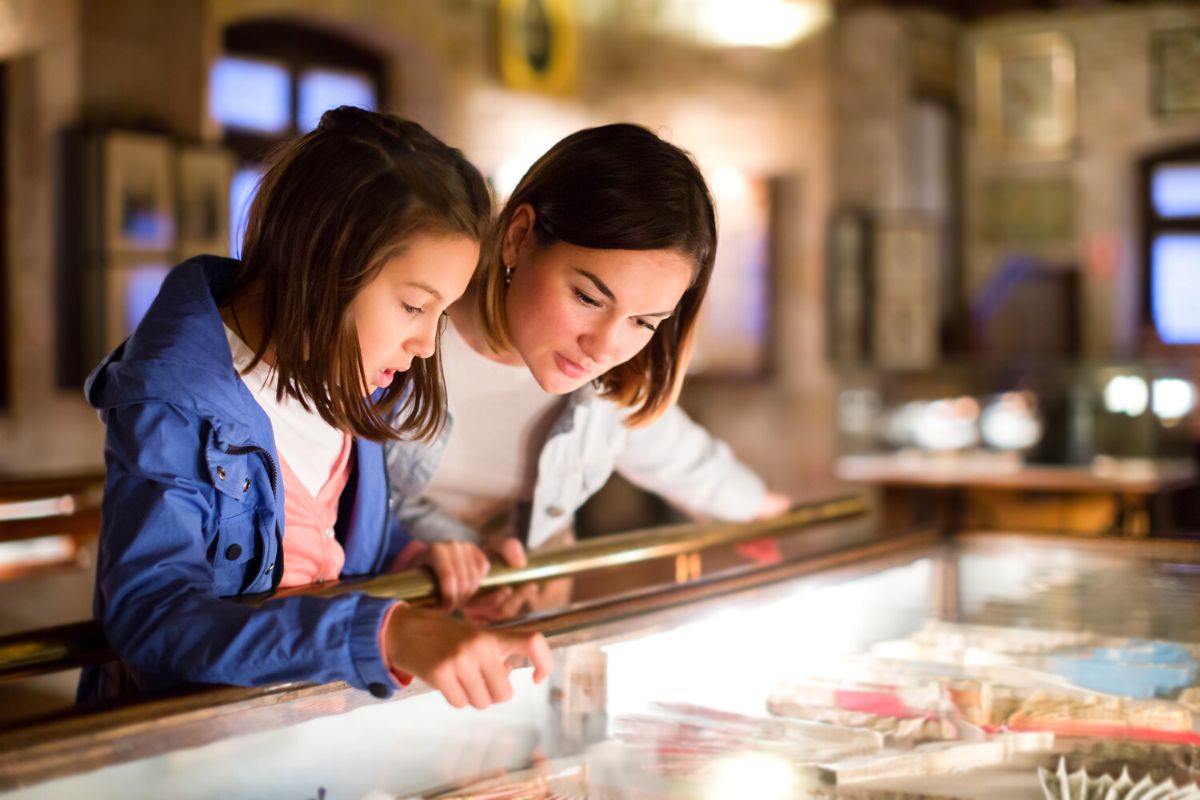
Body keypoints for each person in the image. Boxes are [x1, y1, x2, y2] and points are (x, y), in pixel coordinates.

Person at [80, 107, 551, 709]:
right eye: (413, 306)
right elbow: (153, 620)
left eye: (441, 313)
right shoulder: (174, 406)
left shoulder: (350, 379)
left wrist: (418, 562)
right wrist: (386, 631)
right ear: (323, 262)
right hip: (186, 756)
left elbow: (324, 544)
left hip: (303, 738)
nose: (427, 345)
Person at [385, 123, 790, 601]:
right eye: (588, 298)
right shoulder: (400, 342)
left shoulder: (611, 389)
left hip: (509, 627)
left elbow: (684, 458)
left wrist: (763, 510)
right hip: (382, 618)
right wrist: (458, 550)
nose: (603, 348)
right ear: (518, 236)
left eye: (644, 322)